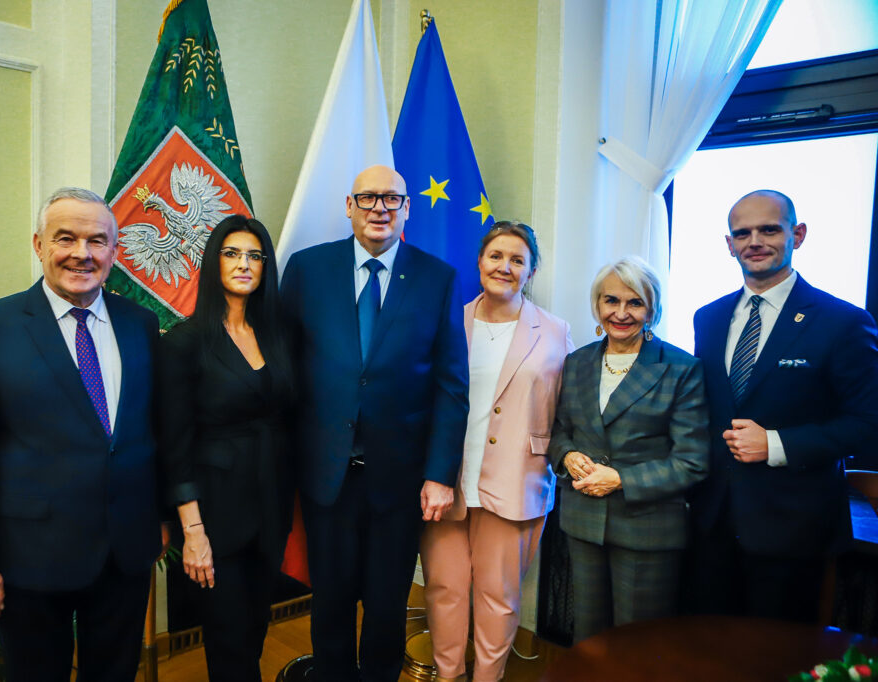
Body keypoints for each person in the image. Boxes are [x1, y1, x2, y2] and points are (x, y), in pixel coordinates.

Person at [0, 187, 162, 681]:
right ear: (39, 245)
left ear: (114, 251)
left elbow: (148, 432)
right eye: (66, 238)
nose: (81, 254)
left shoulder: (141, 324)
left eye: (97, 241)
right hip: (31, 559)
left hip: (124, 555)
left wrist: (165, 519)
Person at [280, 164, 469, 682]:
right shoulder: (307, 269)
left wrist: (439, 472)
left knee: (386, 604)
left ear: (407, 208)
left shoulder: (437, 278)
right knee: (331, 601)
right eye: (367, 198)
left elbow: (452, 385)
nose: (379, 208)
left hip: (400, 478)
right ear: (348, 206)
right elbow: (285, 369)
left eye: (391, 199)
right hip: (326, 475)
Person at [687, 189, 878, 622]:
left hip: (793, 529)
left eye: (769, 229)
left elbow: (868, 423)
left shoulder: (843, 322)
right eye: (742, 233)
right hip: (711, 523)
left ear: (798, 234)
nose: (754, 240)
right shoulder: (708, 317)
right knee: (709, 652)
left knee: (775, 660)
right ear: (729, 245)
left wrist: (776, 444)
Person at [420, 221, 573, 682]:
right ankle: (448, 675)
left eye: (517, 260)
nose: (504, 267)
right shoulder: (449, 320)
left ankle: (488, 677)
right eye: (495, 256)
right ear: (480, 262)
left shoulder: (554, 331)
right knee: (444, 589)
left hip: (517, 482)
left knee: (498, 596)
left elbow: (568, 408)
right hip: (447, 481)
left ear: (530, 271)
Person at [158, 215, 295, 681]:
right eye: (232, 253)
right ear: (213, 263)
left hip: (270, 508)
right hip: (214, 518)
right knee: (229, 641)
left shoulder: (277, 335)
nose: (244, 264)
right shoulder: (185, 342)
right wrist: (192, 532)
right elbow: (174, 446)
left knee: (255, 630)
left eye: (255, 256)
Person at [548, 256, 709, 642]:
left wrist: (620, 479)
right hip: (583, 523)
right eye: (610, 301)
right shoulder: (577, 361)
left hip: (647, 527)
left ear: (652, 308)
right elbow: (557, 431)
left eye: (634, 302)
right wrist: (566, 455)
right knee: (589, 640)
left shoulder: (680, 368)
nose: (621, 313)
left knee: (637, 645)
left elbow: (692, 461)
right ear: (597, 306)